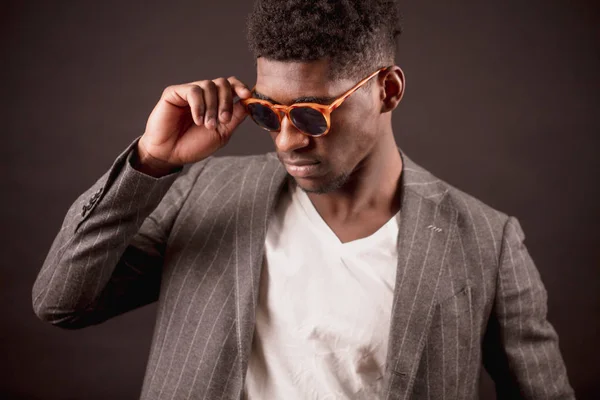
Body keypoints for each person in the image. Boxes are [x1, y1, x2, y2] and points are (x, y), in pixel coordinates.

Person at [32, 0, 575, 399]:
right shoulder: (202, 192)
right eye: (269, 113)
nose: (288, 139)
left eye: (314, 114)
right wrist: (152, 161)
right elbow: (60, 302)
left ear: (387, 90)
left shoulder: (486, 240)